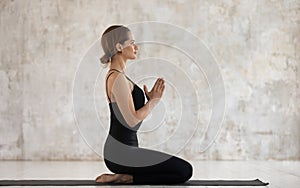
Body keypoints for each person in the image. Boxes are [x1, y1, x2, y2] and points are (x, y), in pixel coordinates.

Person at [95, 25, 193, 184]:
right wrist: (153, 102)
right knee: (184, 171)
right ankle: (124, 177)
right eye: (131, 42)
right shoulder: (117, 78)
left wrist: (151, 101)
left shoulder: (120, 77)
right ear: (119, 47)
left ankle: (128, 177)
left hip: (126, 151)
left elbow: (131, 119)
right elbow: (132, 120)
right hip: (120, 154)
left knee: (182, 171)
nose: (136, 47)